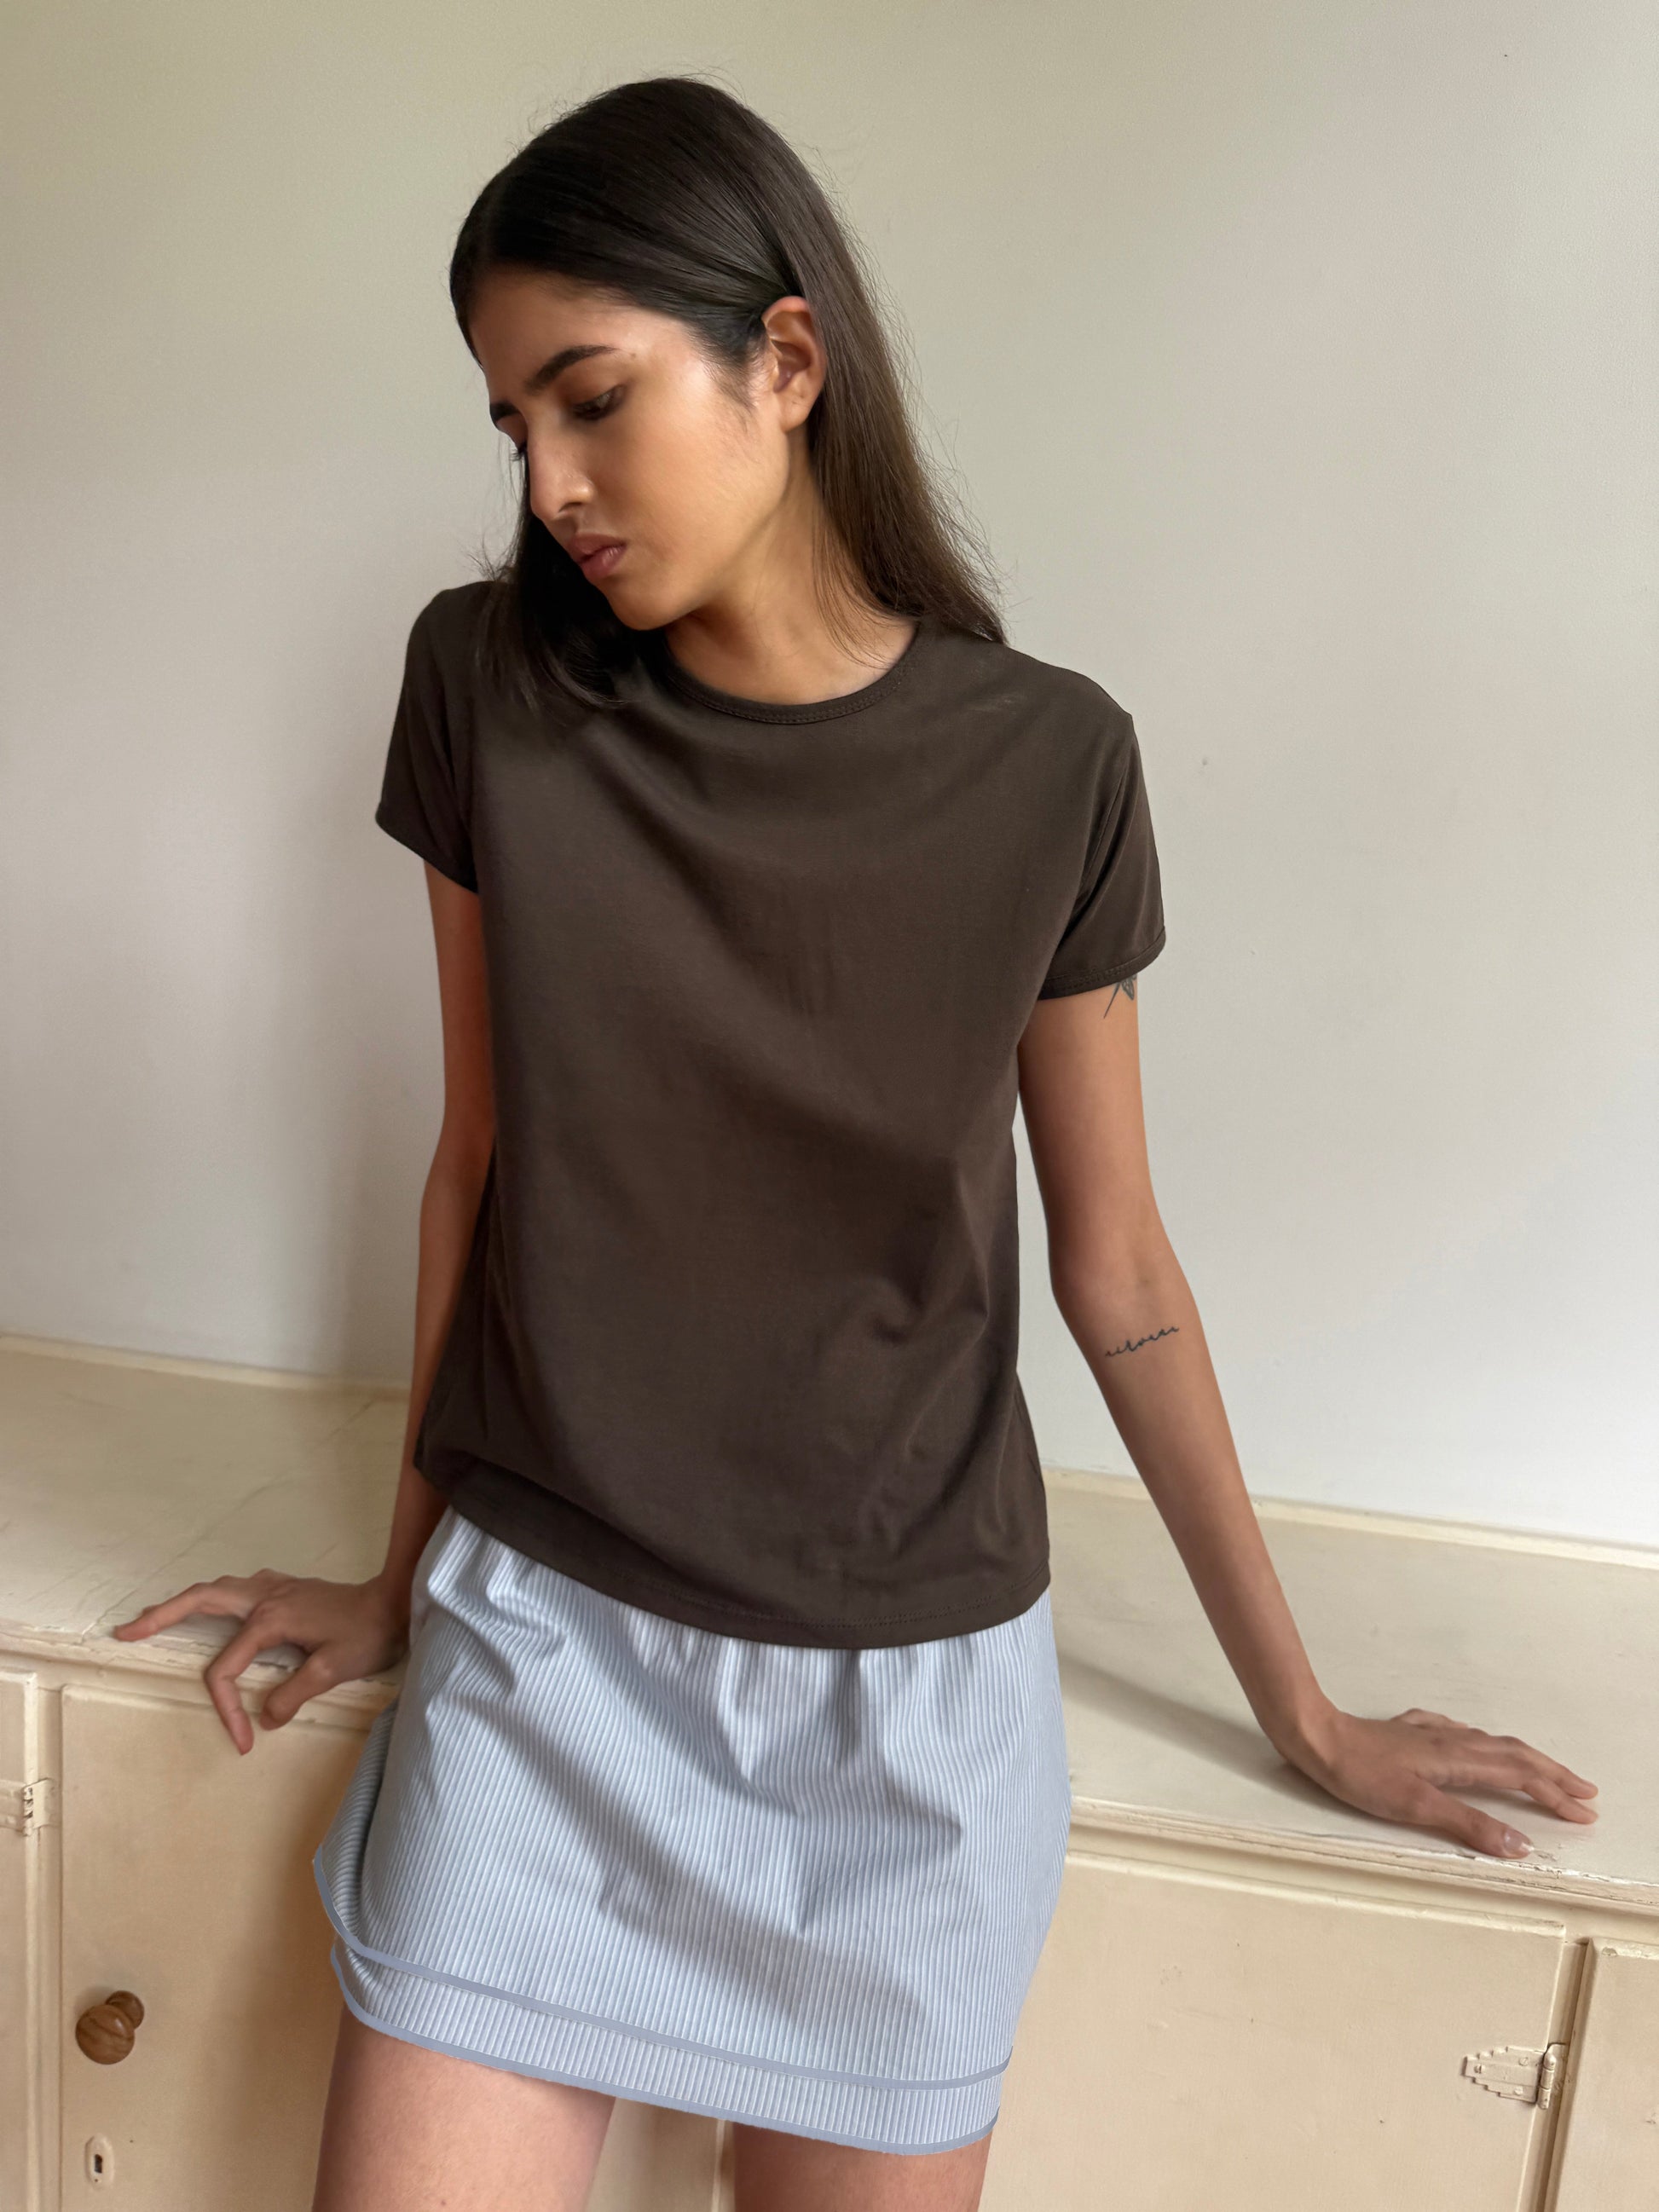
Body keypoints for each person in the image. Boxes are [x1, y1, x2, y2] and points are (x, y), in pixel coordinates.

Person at [113, 72, 1598, 2212]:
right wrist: (397, 1569)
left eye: (592, 399)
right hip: (544, 1659)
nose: (549, 485)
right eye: (512, 428)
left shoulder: (1051, 765)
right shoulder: (489, 691)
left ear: (786, 361)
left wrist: (1306, 1705)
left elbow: (1117, 1267)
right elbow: (480, 1160)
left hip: (906, 1727)